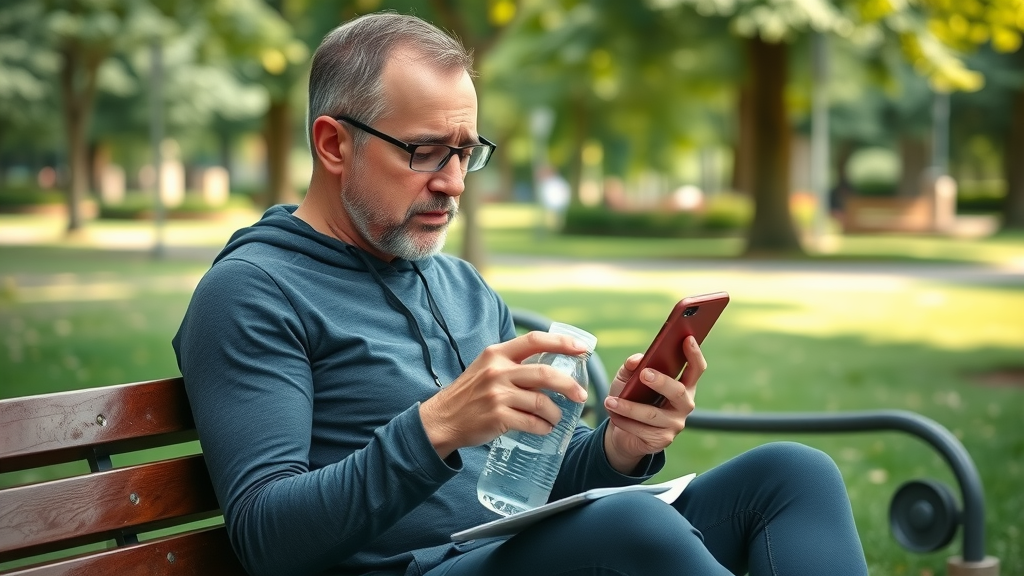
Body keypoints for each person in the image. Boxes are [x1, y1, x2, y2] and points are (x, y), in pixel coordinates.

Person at [173, 12, 868, 576]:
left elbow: (524, 492)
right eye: (423, 151)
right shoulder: (252, 293)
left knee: (792, 474)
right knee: (628, 528)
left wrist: (619, 448)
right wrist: (436, 427)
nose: (453, 181)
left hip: (499, 552)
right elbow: (265, 538)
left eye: (465, 150)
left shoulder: (457, 284)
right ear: (332, 144)